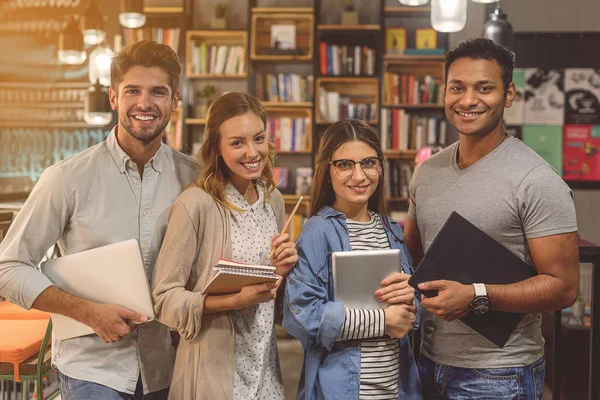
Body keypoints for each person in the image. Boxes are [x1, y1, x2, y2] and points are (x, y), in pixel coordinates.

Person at [0, 40, 200, 399]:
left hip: (170, 369)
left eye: (158, 92)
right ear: (112, 98)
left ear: (174, 102)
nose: (145, 103)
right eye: (132, 91)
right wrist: (88, 312)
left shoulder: (195, 179)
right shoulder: (66, 178)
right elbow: (9, 266)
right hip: (92, 371)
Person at [404, 38, 579, 400]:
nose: (468, 100)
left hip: (500, 375)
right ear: (445, 91)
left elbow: (564, 287)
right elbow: (412, 259)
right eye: (458, 87)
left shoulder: (537, 180)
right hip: (425, 361)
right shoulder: (427, 172)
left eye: (484, 88)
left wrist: (478, 296)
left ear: (509, 94)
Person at [151, 92, 299, 400]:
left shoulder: (272, 200)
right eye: (237, 143)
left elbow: (271, 292)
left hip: (265, 369)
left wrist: (281, 270)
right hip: (212, 374)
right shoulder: (196, 205)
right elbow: (164, 301)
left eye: (258, 139)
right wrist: (232, 301)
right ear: (216, 148)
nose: (252, 152)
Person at [282, 119, 422, 400]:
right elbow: (304, 317)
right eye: (345, 164)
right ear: (327, 170)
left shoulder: (392, 231)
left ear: (380, 167)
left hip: (398, 389)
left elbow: (413, 316)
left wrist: (413, 299)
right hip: (343, 390)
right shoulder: (318, 231)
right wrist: (382, 321)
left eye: (368, 163)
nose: (359, 176)